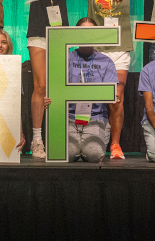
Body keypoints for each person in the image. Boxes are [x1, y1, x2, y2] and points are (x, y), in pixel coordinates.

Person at [78, 0, 140, 160]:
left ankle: (115, 144)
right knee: (91, 98)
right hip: (96, 50)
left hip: (120, 48)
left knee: (116, 97)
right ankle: (87, 139)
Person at [19, 0, 81, 160]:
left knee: (57, 88)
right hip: (37, 32)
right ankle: (37, 139)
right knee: (40, 86)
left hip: (60, 33)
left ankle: (57, 135)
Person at [43, 18, 118, 163]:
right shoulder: (64, 58)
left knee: (93, 155)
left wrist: (113, 96)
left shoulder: (106, 61)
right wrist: (49, 98)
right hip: (69, 118)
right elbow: (54, 89)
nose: (86, 36)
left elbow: (112, 94)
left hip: (96, 118)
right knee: (68, 155)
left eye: (91, 32)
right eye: (82, 32)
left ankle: (84, 146)